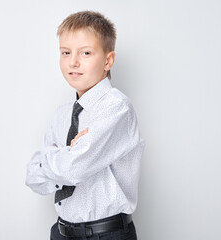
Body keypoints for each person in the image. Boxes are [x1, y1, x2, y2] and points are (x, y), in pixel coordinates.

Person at [25, 10, 145, 240]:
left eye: (86, 53)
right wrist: (70, 154)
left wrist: (56, 158)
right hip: (61, 232)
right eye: (66, 52)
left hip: (105, 234)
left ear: (108, 60)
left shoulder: (117, 108)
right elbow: (33, 178)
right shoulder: (62, 115)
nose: (73, 62)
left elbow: (74, 169)